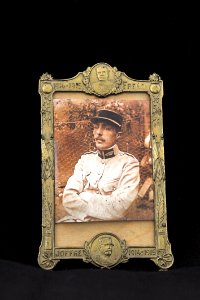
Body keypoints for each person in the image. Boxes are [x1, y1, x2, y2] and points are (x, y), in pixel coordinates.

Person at [59, 109, 140, 222]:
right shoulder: (85, 160)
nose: (99, 132)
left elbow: (119, 207)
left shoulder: (129, 163)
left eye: (107, 128)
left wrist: (85, 196)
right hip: (78, 221)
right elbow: (68, 198)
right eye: (96, 127)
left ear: (118, 135)